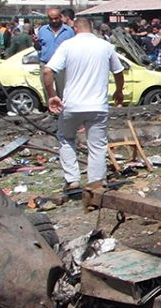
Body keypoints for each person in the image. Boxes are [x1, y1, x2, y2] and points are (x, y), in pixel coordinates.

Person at [42, 17, 124, 191]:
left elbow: (48, 71)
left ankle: (72, 179)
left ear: (75, 28)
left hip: (72, 105)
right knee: (97, 145)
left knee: (65, 138)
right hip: (97, 106)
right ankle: (96, 183)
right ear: (91, 28)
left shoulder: (67, 45)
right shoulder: (105, 46)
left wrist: (52, 96)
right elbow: (118, 71)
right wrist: (119, 91)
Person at [36, 8, 74, 97]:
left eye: (56, 18)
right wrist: (35, 43)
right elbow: (38, 47)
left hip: (62, 66)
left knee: (63, 91)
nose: (54, 21)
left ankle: (63, 109)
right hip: (46, 64)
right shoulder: (42, 30)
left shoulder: (69, 31)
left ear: (60, 17)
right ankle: (51, 109)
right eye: (51, 19)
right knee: (47, 91)